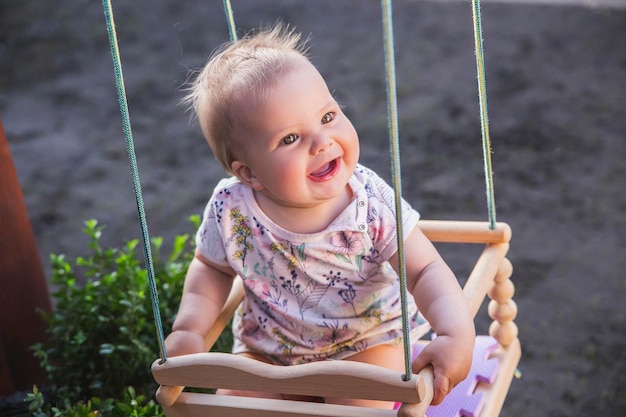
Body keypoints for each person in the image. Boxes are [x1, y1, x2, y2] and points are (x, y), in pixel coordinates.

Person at [164, 24, 475, 409]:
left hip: (366, 342)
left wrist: (455, 334)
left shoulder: (368, 201)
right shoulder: (231, 207)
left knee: (356, 400)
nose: (322, 142)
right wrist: (190, 329)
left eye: (328, 116)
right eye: (290, 139)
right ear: (249, 174)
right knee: (235, 402)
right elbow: (210, 268)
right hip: (268, 353)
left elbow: (425, 270)